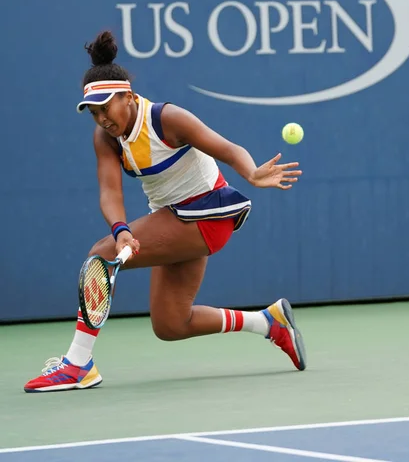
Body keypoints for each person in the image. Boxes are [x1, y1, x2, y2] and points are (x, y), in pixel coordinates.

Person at [24, 30, 306, 393]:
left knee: (100, 255)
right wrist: (121, 229)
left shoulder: (167, 119)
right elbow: (110, 192)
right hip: (174, 220)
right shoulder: (105, 138)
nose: (101, 118)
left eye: (106, 107)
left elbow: (227, 147)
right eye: (94, 112)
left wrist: (251, 172)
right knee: (171, 324)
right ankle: (269, 322)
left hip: (207, 214)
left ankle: (78, 365)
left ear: (127, 96)